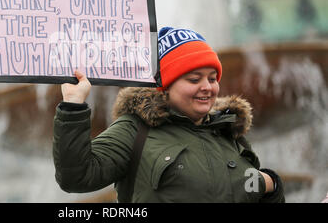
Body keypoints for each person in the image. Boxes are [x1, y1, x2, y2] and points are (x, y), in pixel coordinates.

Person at [53, 27, 285, 203]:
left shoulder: (228, 130)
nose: (207, 87)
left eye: (212, 79)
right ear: (164, 85)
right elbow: (77, 176)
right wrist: (73, 106)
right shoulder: (135, 130)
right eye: (194, 79)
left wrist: (271, 184)